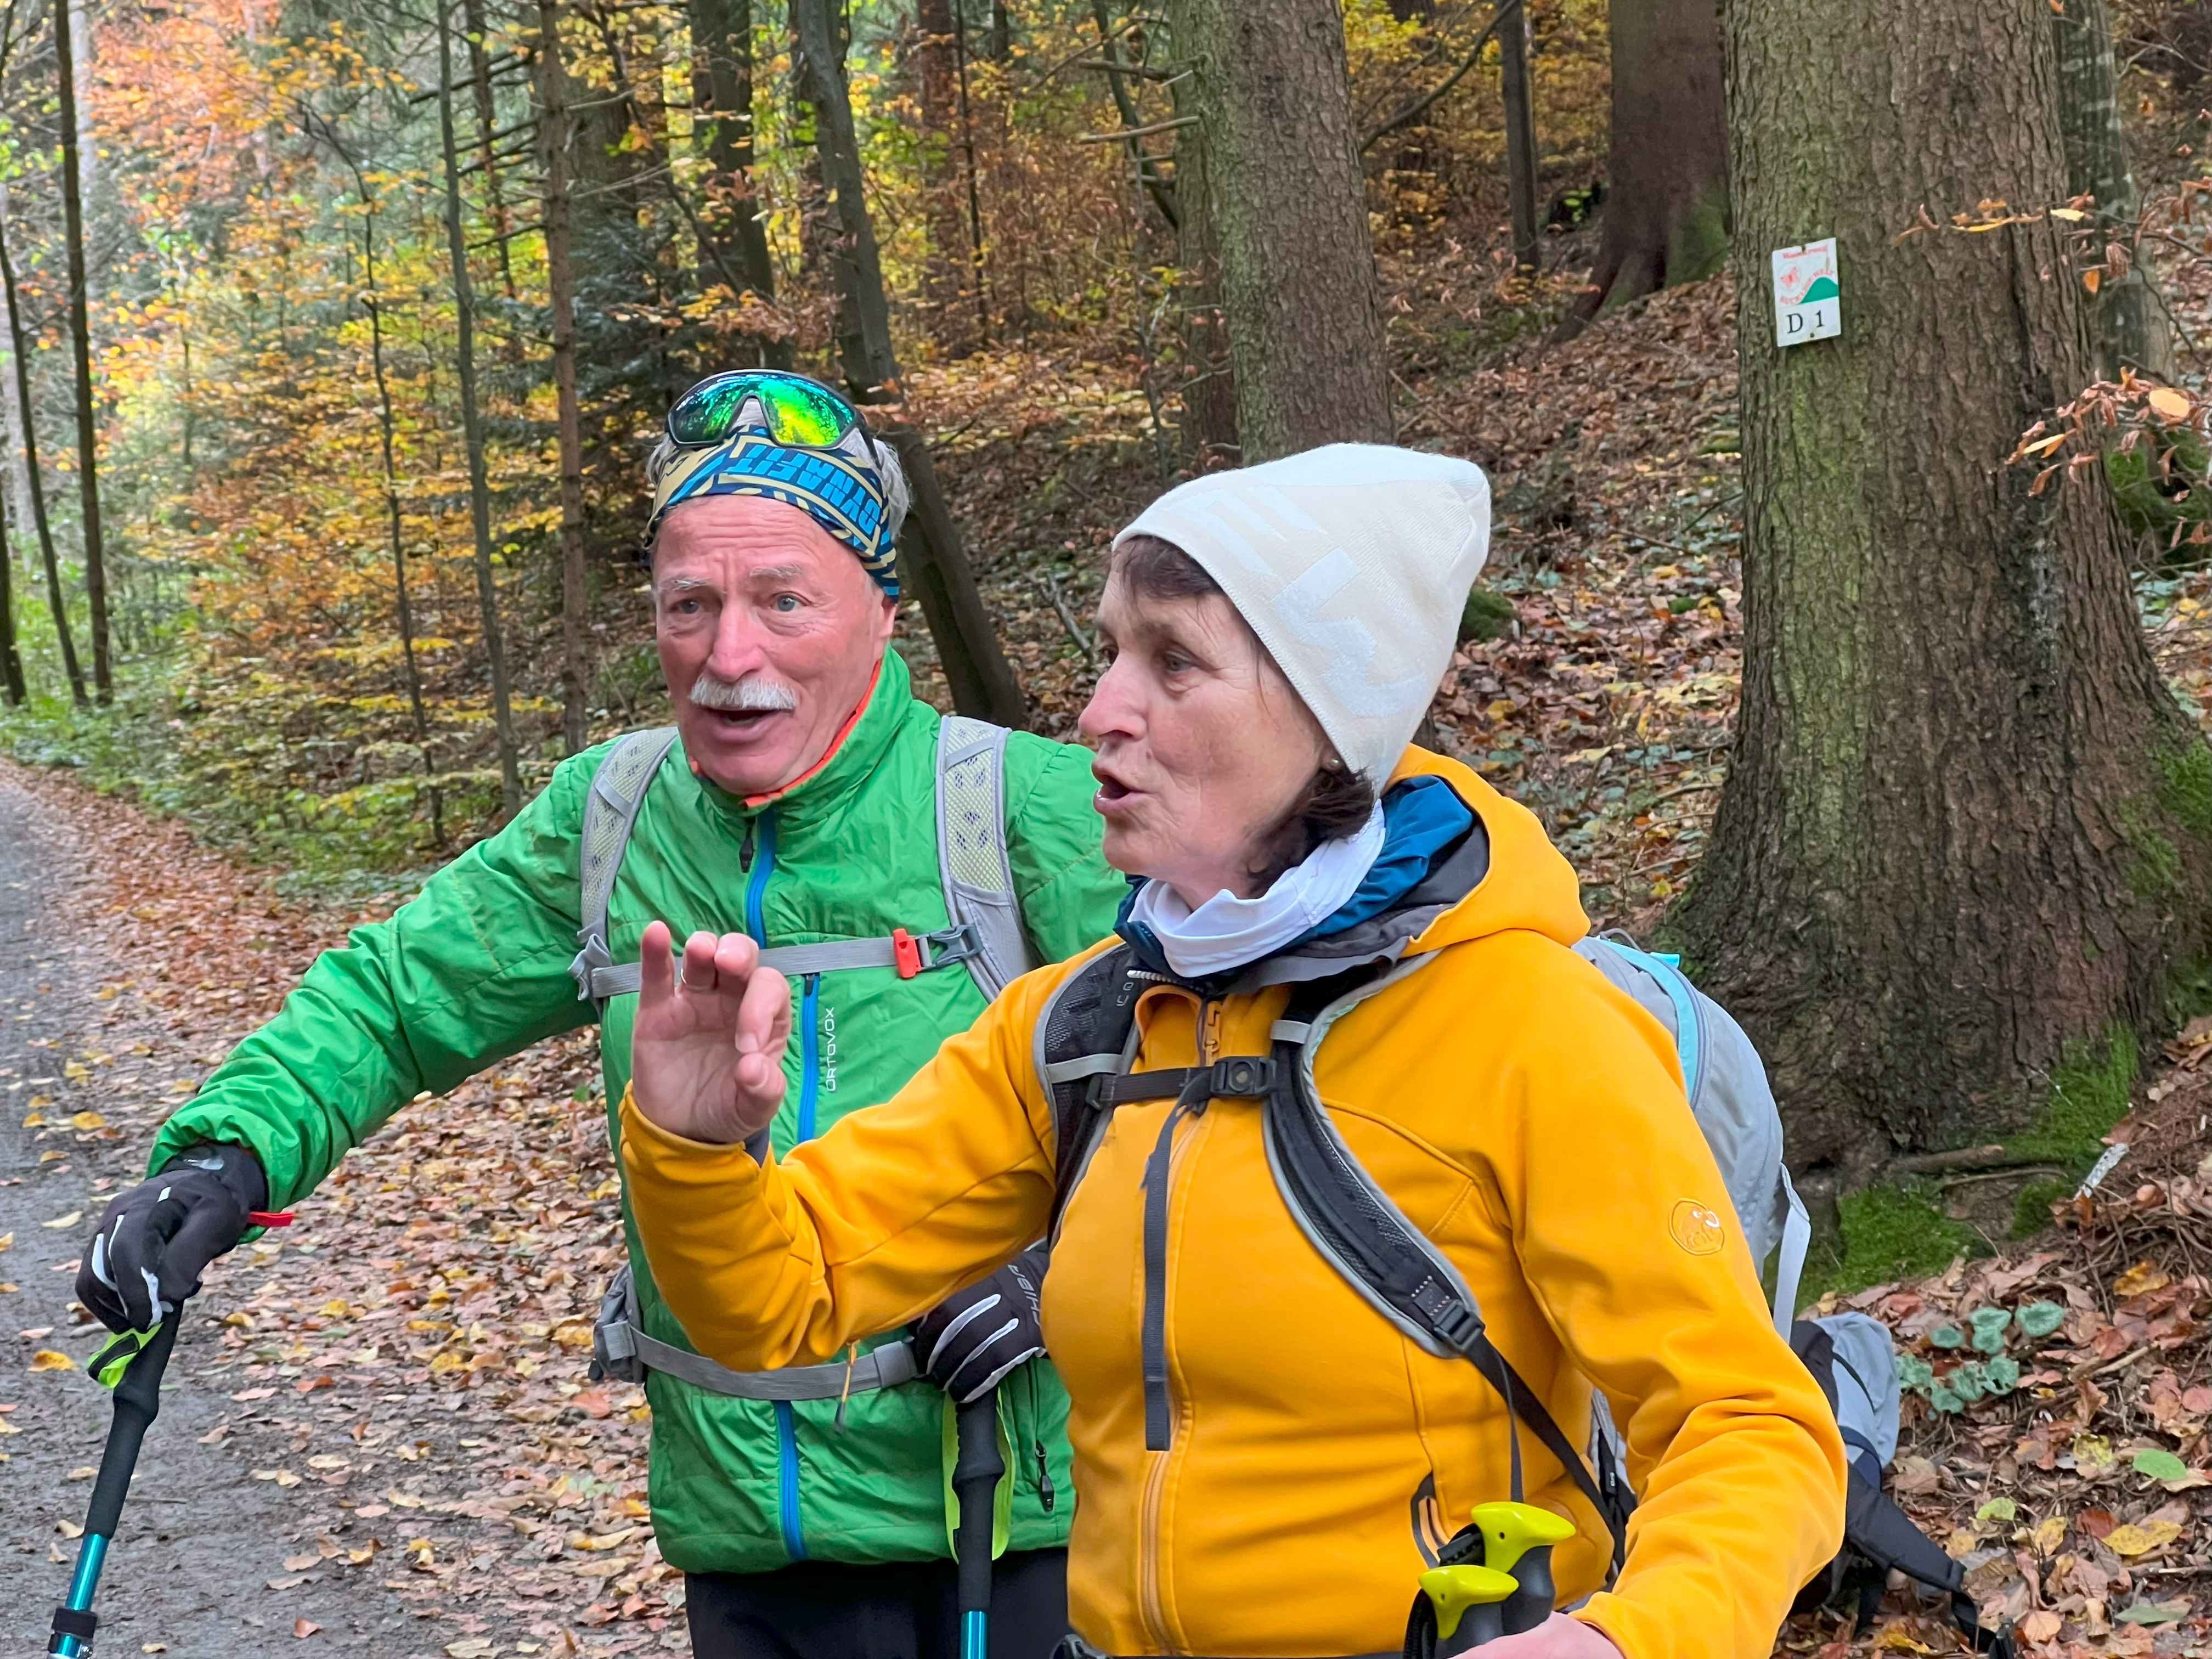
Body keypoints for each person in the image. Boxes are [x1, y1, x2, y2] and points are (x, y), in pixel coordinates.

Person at [618, 444, 1848, 1659]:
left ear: (1327, 717)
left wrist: (1633, 1641)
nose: (1100, 711)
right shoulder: (1078, 1030)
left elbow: (1750, 1426)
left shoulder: (1528, 1024)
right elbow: (778, 1299)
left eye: (1175, 662)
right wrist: (691, 1144)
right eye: (1109, 651)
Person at [75, 371, 1127, 1658]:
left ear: (884, 614)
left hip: (1010, 1525)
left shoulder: (1025, 809)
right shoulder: (613, 817)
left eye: (782, 601)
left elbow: (1225, 1071)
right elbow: (398, 998)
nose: (729, 657)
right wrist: (227, 1153)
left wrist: (1059, 1276)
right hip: (741, 1538)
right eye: (691, 606)